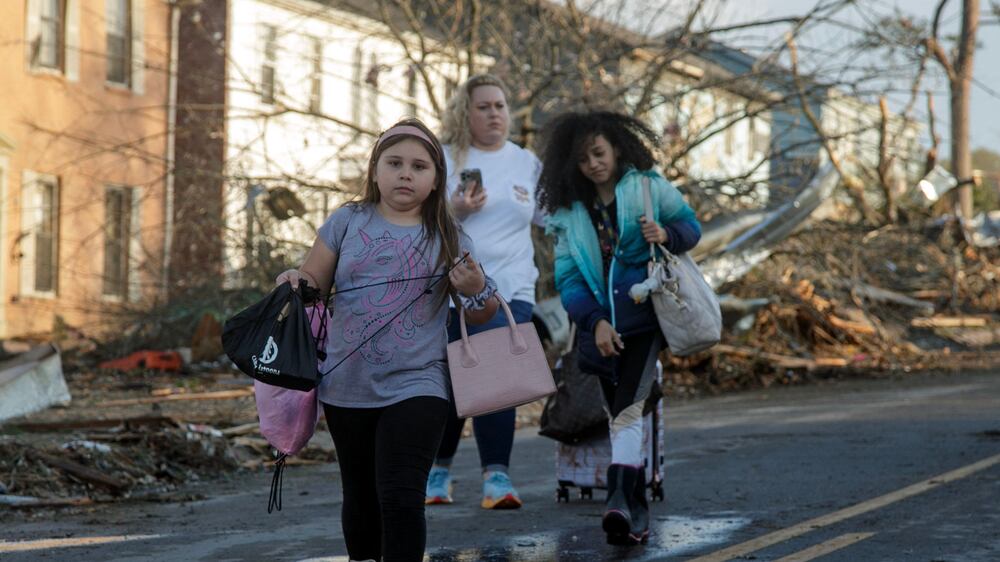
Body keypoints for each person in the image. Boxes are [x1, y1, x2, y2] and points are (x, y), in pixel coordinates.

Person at [275, 118, 500, 562]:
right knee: (360, 498)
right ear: (375, 170)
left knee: (399, 496)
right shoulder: (346, 220)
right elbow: (313, 284)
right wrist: (293, 281)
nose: (405, 174)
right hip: (346, 386)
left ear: (436, 179)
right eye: (394, 163)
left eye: (419, 166)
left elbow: (482, 312)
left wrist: (476, 288)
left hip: (419, 383)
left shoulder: (449, 235)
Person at [536, 111, 702, 545]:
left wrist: (666, 233)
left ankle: (616, 496)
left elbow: (692, 227)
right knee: (619, 415)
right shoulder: (568, 215)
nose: (593, 164)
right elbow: (569, 281)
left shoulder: (646, 187)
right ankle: (633, 511)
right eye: (583, 158)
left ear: (616, 148)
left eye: (599, 152)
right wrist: (596, 323)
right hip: (600, 328)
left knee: (628, 408)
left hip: (645, 320)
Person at [424, 74, 544, 510]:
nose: (495, 114)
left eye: (501, 105)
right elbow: (416, 219)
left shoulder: (526, 162)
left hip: (513, 286)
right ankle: (437, 470)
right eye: (484, 107)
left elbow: (551, 217)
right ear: (465, 113)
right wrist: (453, 211)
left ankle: (496, 476)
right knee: (458, 378)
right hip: (453, 285)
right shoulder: (444, 156)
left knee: (498, 373)